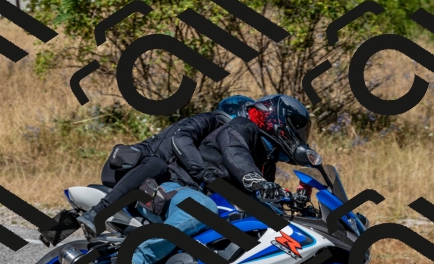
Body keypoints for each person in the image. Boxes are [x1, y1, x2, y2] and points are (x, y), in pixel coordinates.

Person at [77, 111, 221, 236]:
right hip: (125, 168)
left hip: (146, 180)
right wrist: (205, 175)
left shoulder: (210, 142)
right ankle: (96, 213)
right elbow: (180, 140)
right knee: (158, 164)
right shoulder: (207, 119)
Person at [198, 93, 312, 201]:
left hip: (221, 195)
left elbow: (265, 193)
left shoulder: (268, 156)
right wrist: (256, 180)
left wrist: (290, 198)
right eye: (299, 132)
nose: (301, 138)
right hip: (200, 189)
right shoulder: (242, 126)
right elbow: (235, 153)